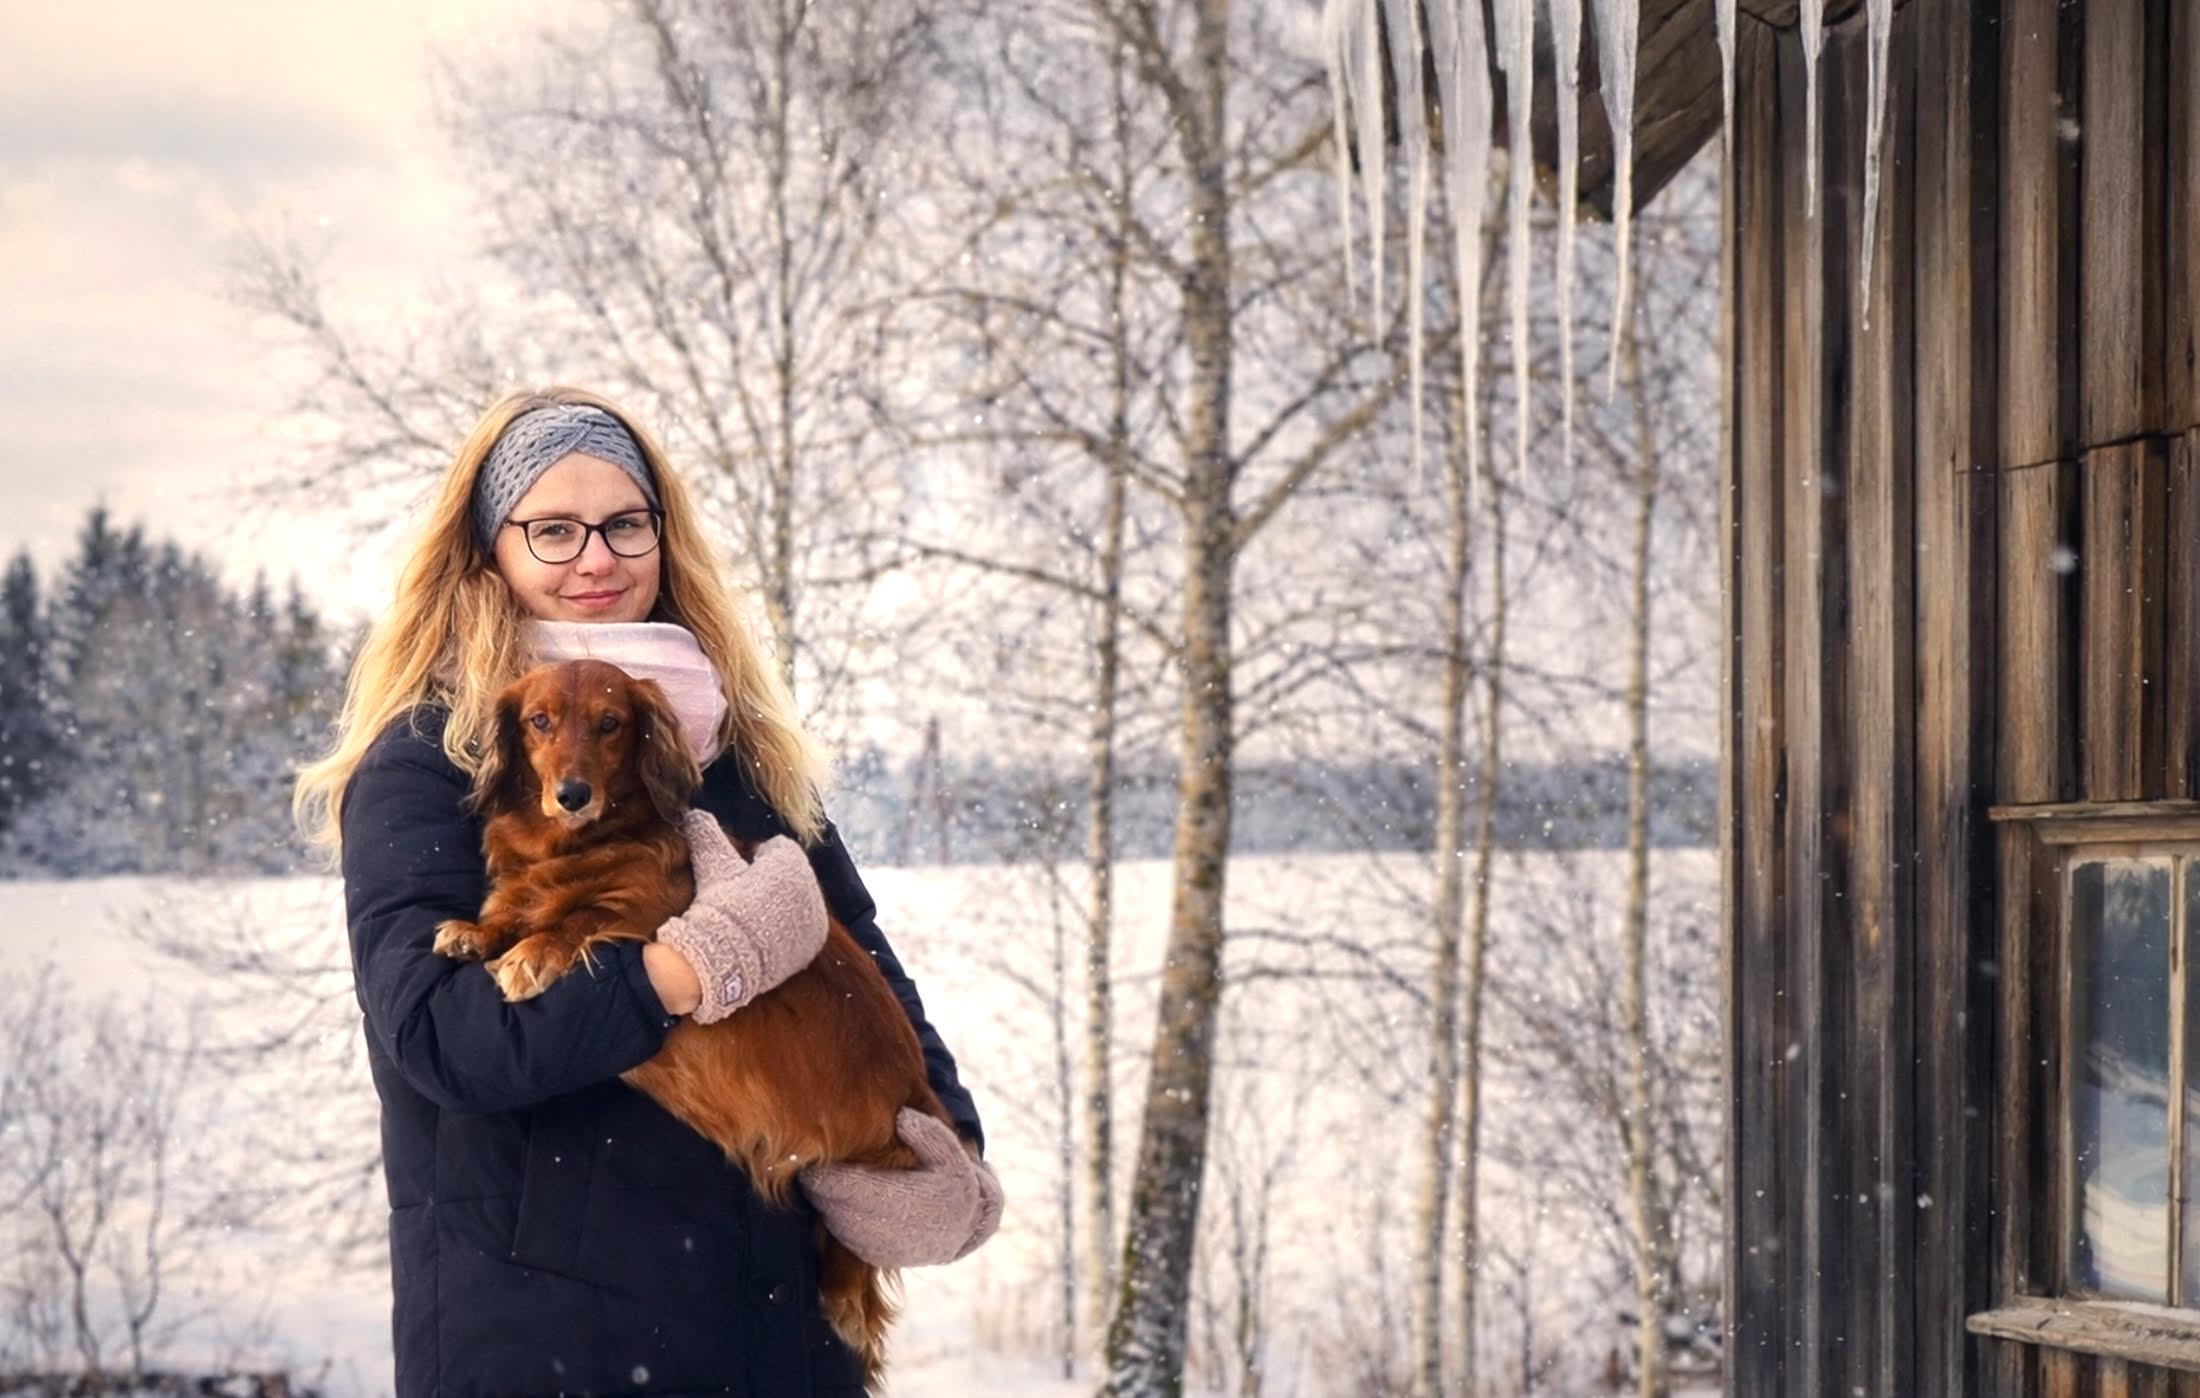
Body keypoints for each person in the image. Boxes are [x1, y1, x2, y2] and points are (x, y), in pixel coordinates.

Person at [294, 387, 1000, 1397]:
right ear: (488, 550)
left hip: (774, 1332)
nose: (597, 557)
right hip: (551, 1341)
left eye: (626, 524)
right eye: (553, 529)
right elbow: (443, 1041)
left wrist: (937, 1146)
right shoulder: (432, 757)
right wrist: (679, 971)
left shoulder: (736, 756)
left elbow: (866, 966)